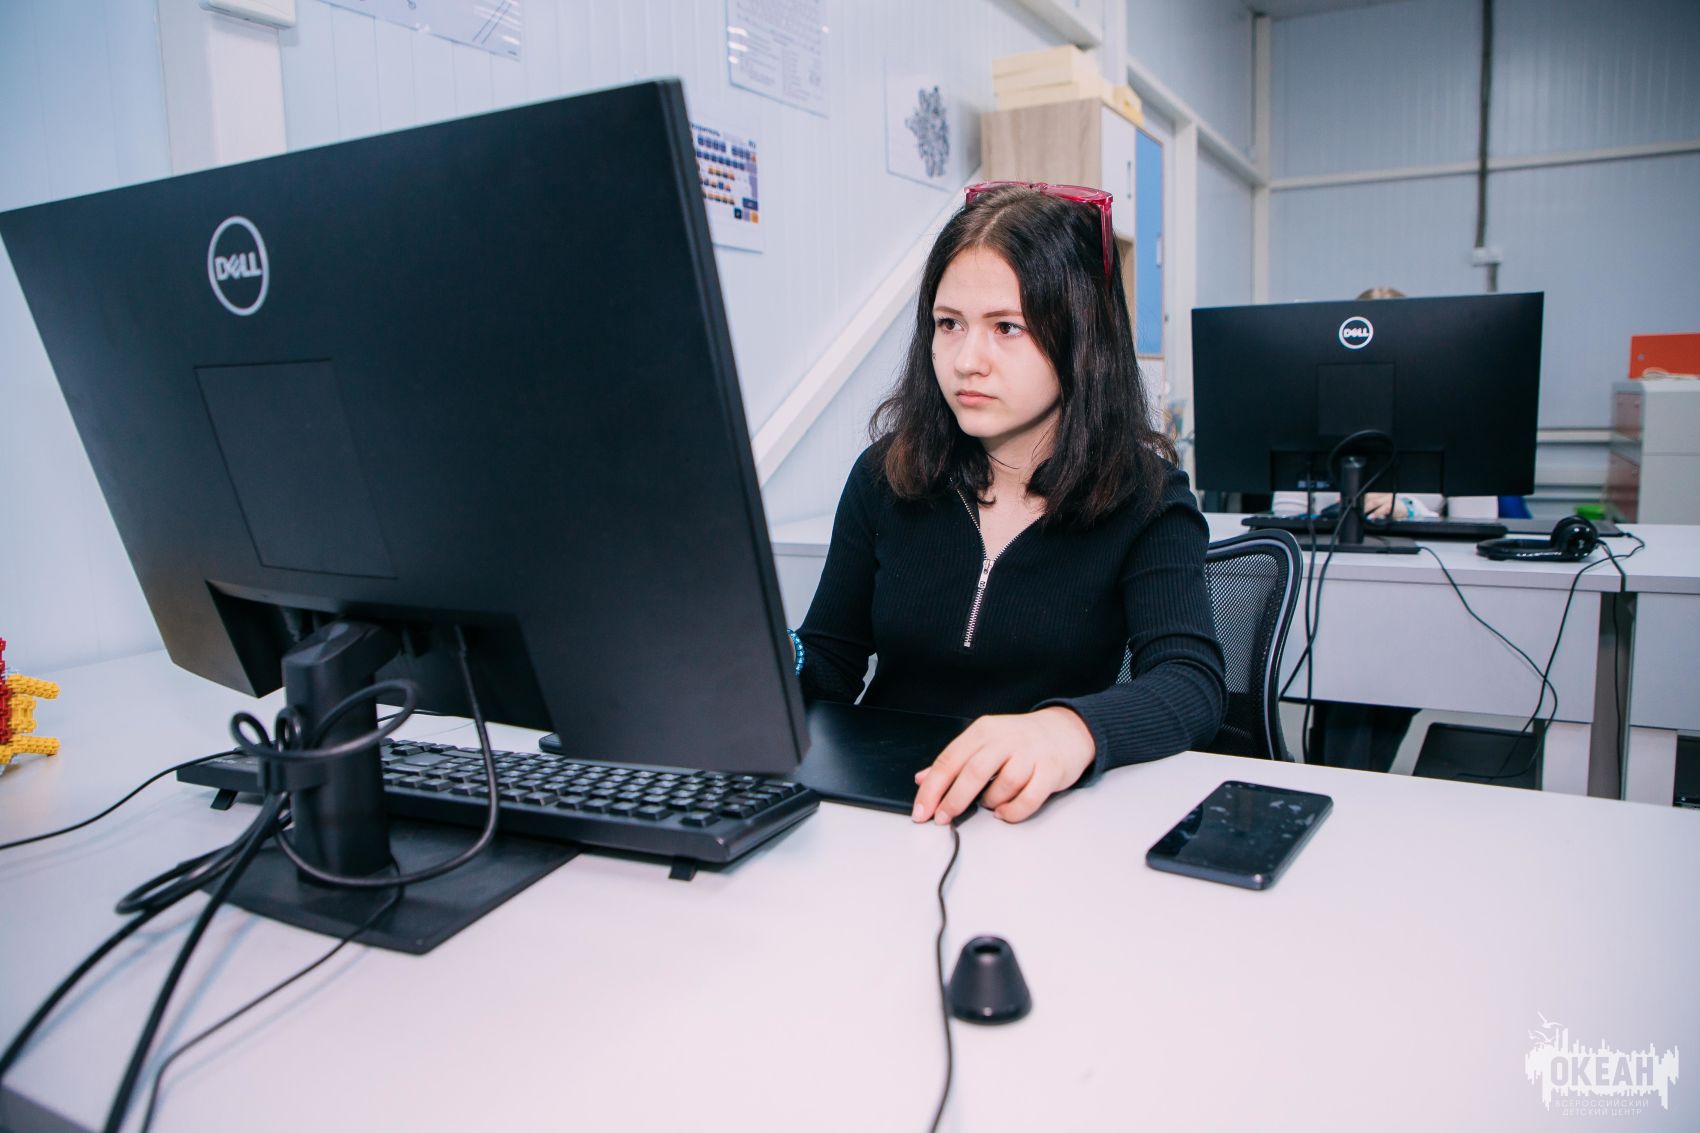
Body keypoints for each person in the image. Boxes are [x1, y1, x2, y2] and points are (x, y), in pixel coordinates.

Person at [792, 182, 1226, 826]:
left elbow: (1190, 681)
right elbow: (829, 660)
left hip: (1034, 817)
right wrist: (769, 662)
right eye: (949, 324)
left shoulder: (1146, 497)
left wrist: (1068, 729)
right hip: (881, 808)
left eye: (1007, 328)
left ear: (1082, 338)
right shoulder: (885, 475)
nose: (967, 361)